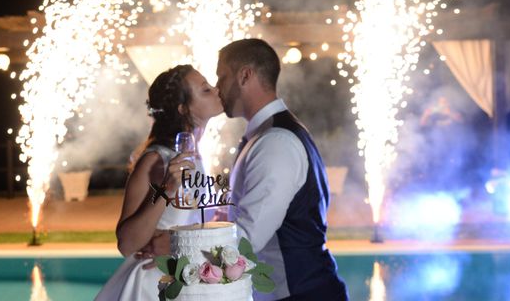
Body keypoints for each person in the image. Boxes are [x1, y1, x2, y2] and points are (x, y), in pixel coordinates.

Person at [216, 38, 348, 301]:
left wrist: (180, 246)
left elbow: (247, 239)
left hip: (300, 294)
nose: (217, 87)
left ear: (244, 76)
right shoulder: (271, 135)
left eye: (222, 77)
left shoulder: (276, 141)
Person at [94, 64, 223, 301]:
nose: (216, 90)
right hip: (156, 287)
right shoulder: (156, 161)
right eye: (205, 90)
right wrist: (166, 189)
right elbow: (127, 243)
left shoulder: (197, 157)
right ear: (183, 109)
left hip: (189, 278)